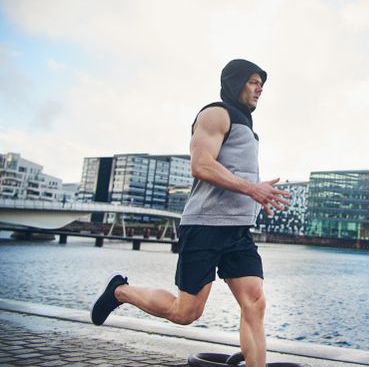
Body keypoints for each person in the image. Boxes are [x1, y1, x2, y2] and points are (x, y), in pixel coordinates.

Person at [90, 59, 291, 367]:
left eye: (261, 83)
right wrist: (252, 189)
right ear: (235, 84)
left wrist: (256, 194)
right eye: (253, 81)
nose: (260, 87)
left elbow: (237, 175)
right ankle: (119, 291)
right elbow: (201, 165)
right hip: (205, 225)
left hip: (237, 231)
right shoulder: (215, 114)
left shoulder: (250, 132)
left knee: (255, 303)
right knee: (186, 312)